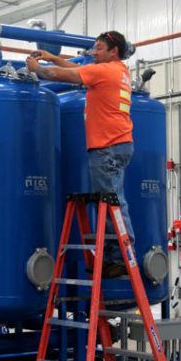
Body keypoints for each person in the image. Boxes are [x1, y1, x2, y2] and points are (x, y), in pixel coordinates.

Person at [26, 31, 135, 278]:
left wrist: (38, 68)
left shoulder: (105, 71)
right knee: (110, 202)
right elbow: (78, 71)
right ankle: (112, 256)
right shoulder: (119, 71)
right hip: (118, 144)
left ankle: (121, 257)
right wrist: (53, 57)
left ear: (113, 51)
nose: (93, 53)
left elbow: (59, 75)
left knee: (112, 203)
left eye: (98, 48)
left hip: (106, 147)